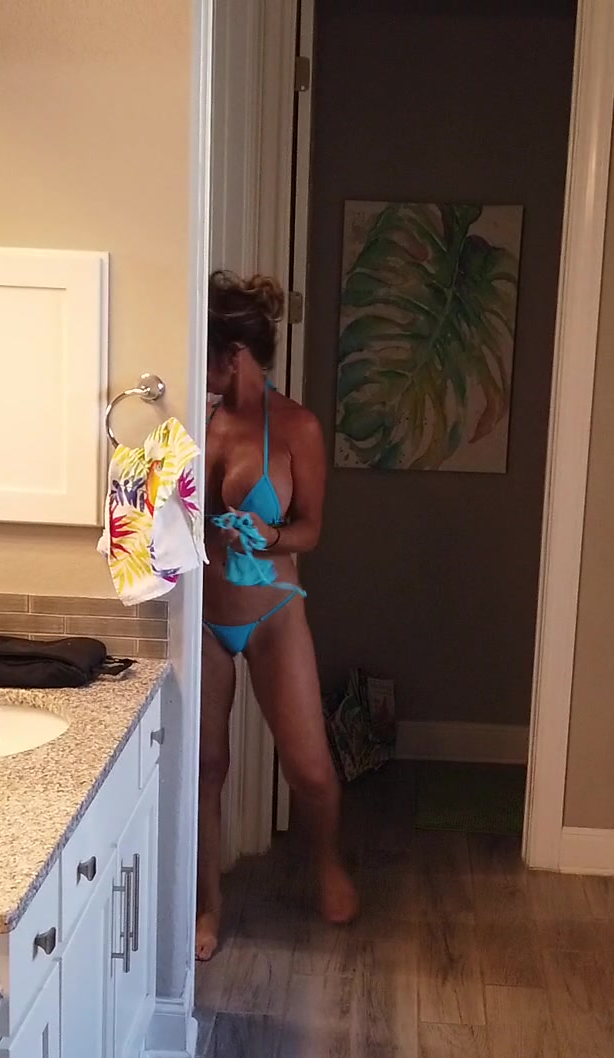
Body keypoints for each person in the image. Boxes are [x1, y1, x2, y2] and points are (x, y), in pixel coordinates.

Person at [197, 271, 357, 961]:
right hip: (201, 619)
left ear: (234, 355)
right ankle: (208, 906)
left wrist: (268, 535)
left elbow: (311, 530)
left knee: (311, 769)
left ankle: (327, 863)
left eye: (206, 353)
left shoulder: (297, 428)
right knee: (205, 768)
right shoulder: (192, 419)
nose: (197, 366)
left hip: (273, 616)